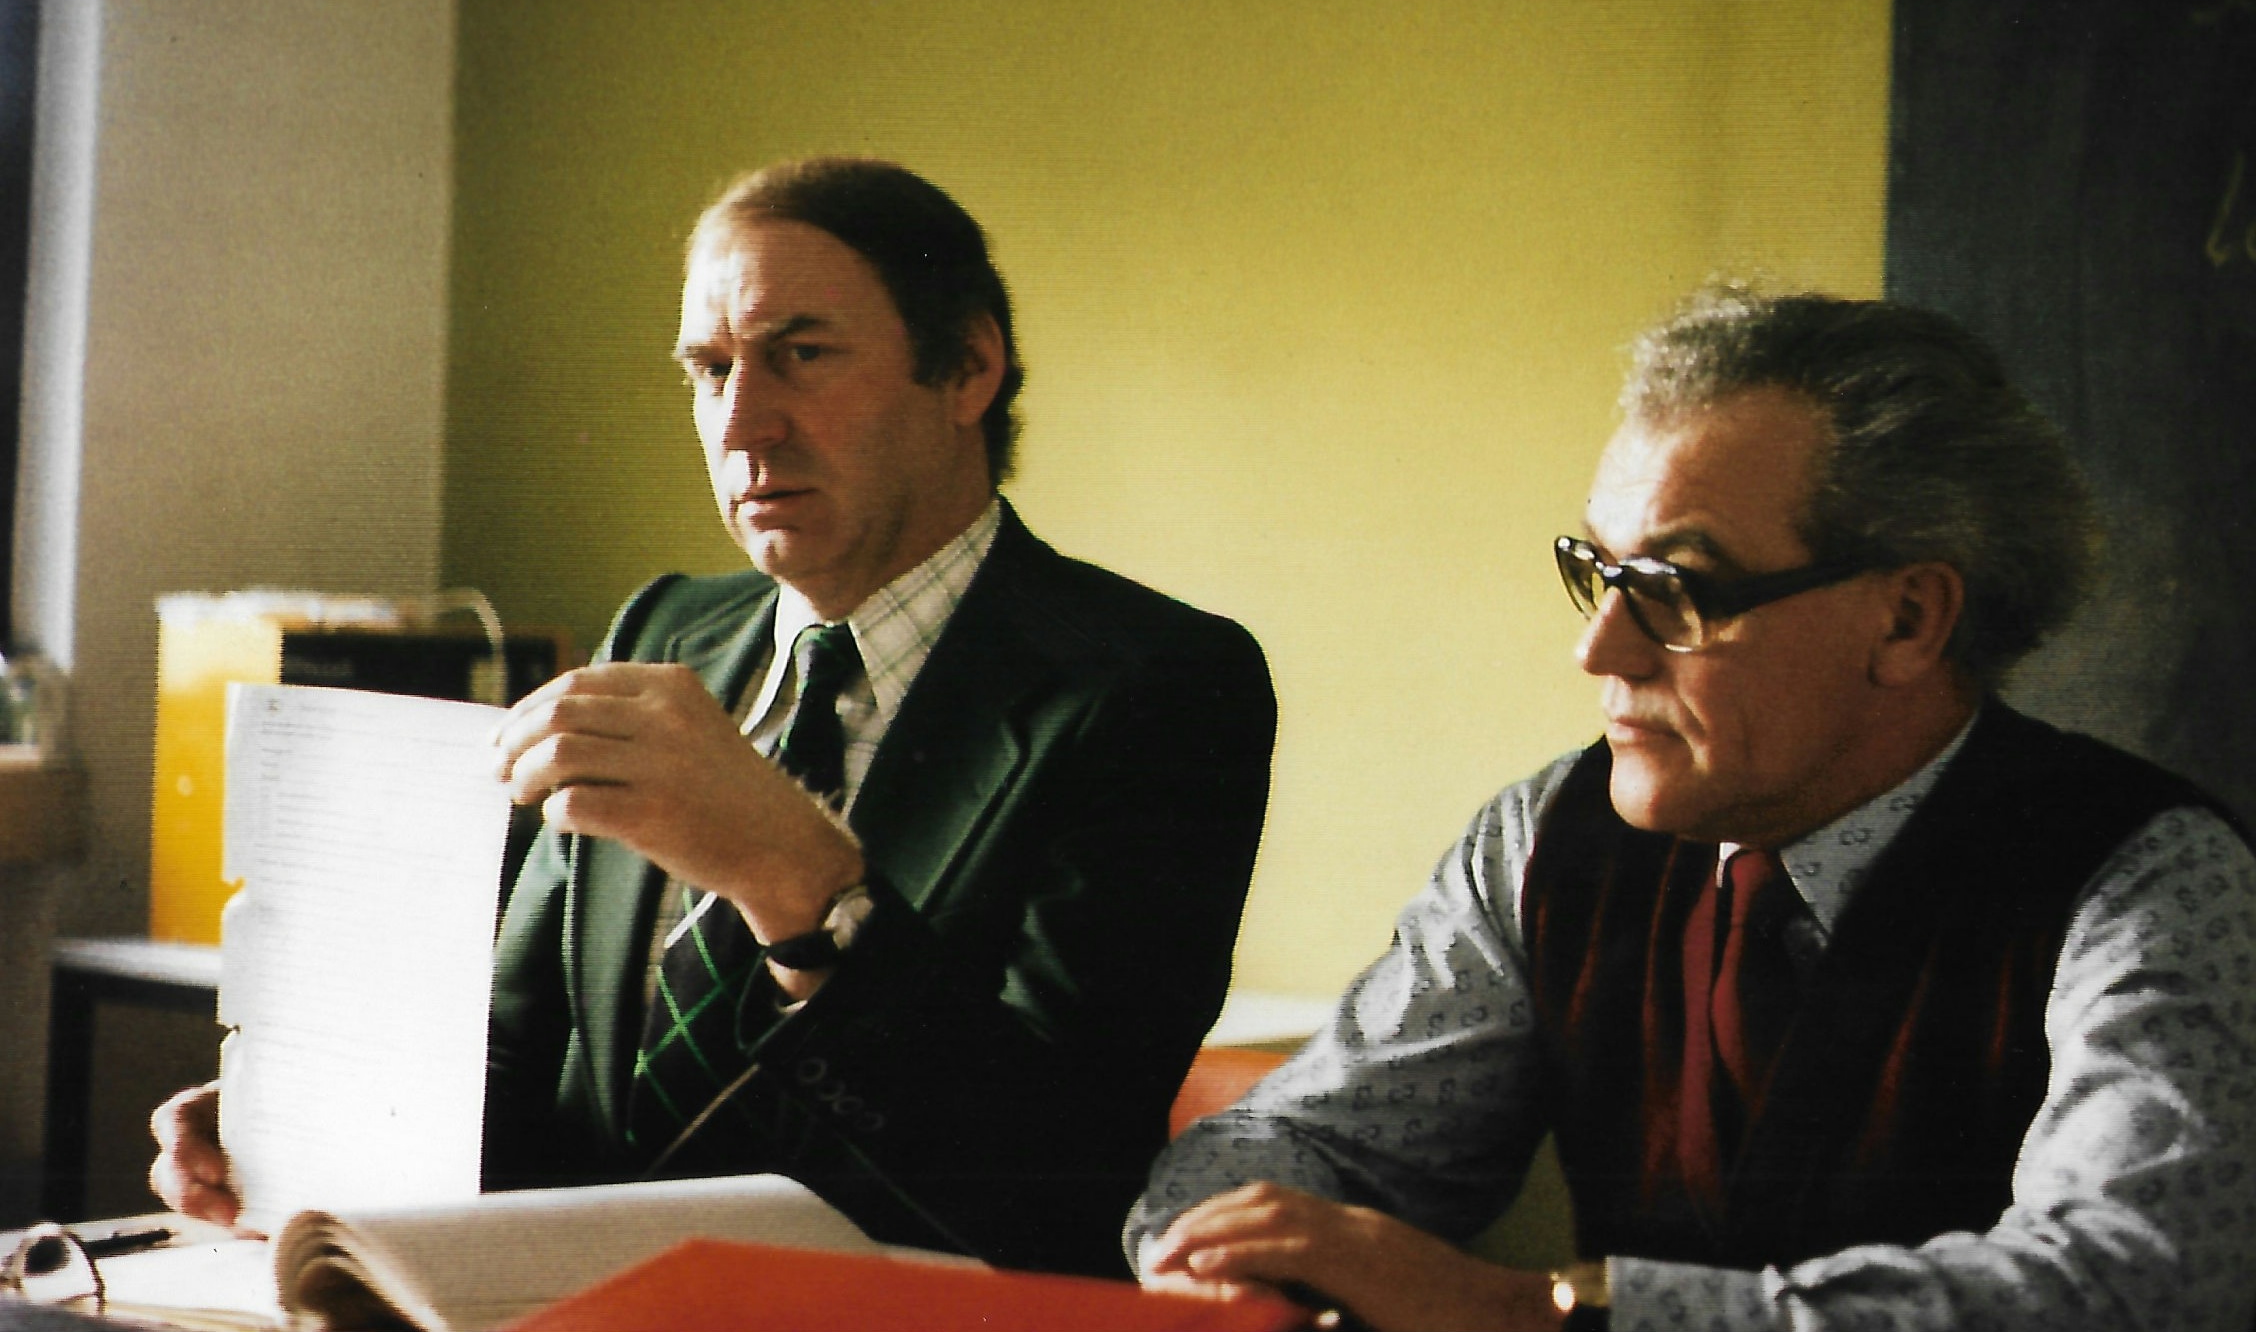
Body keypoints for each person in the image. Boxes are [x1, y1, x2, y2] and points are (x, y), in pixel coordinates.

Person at [152, 158, 1277, 1277]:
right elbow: (518, 1056)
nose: (744, 424)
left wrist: (802, 886)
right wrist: (307, 1124)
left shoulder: (1161, 683)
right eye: (712, 367)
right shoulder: (665, 630)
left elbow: (1058, 1173)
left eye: (802, 353)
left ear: (968, 368)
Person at [1128, 289, 2256, 1330]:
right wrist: (1219, 1249)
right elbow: (1302, 1136)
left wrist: (1531, 1313)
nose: (1598, 650)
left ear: (1908, 619)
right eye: (1597, 572)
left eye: (1674, 589)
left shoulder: (2148, 876)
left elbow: (2138, 1282)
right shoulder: (1544, 839)